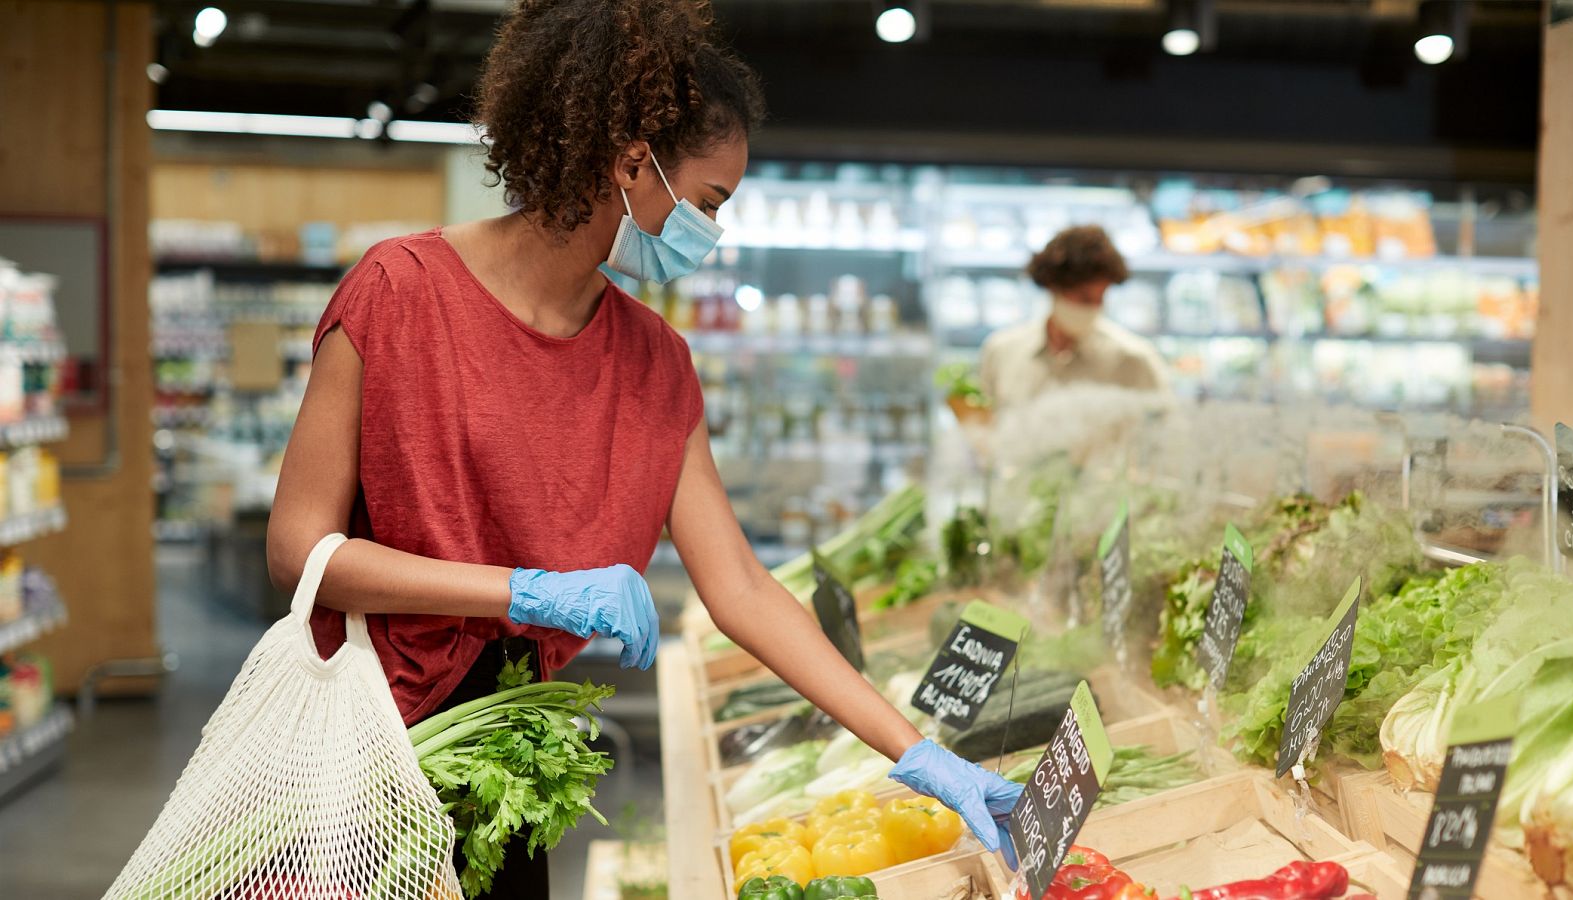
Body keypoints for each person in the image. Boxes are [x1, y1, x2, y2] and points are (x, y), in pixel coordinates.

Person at [264, 1, 1019, 896]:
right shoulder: (399, 294)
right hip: (360, 754)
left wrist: (919, 751)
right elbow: (299, 551)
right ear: (631, 165)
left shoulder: (656, 363)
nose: (712, 233)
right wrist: (523, 590)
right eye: (708, 203)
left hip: (508, 759)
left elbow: (739, 587)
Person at [979, 225, 1169, 413]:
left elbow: (1163, 430)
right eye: (1084, 297)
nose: (1093, 307)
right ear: (1054, 288)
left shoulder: (1134, 359)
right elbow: (982, 424)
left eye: (1100, 297)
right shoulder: (1002, 351)